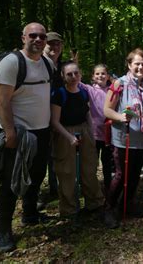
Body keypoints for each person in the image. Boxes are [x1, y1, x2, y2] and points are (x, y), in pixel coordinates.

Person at [0, 22, 53, 252]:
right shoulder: (11, 63)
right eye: (33, 35)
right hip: (17, 133)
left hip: (42, 131)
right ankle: (4, 230)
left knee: (37, 175)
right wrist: (9, 132)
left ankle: (30, 213)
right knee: (10, 182)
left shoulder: (47, 64)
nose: (38, 39)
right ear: (23, 38)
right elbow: (1, 100)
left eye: (42, 36)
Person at [103, 48, 143, 229]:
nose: (140, 67)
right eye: (137, 64)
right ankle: (109, 209)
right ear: (129, 65)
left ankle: (127, 204)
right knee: (121, 175)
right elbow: (107, 110)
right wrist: (120, 117)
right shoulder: (119, 84)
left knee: (135, 175)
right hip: (124, 138)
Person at [50, 62, 105, 218]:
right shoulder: (59, 94)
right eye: (69, 74)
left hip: (84, 130)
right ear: (63, 76)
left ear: (80, 74)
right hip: (65, 132)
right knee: (67, 171)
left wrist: (91, 129)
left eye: (76, 73)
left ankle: (95, 203)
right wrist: (69, 137)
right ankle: (69, 209)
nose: (73, 77)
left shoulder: (83, 92)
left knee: (89, 168)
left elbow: (87, 111)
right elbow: (55, 121)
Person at [37, 31, 64, 211]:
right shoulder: (37, 65)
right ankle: (36, 193)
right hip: (37, 117)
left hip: (57, 117)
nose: (54, 47)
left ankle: (55, 188)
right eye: (51, 44)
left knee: (56, 153)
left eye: (57, 44)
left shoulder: (62, 67)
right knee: (38, 157)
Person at [79, 64, 114, 193]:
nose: (100, 76)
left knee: (107, 163)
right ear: (93, 77)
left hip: (108, 134)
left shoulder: (112, 90)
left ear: (108, 76)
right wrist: (76, 64)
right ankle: (91, 188)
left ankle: (109, 187)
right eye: (97, 74)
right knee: (92, 163)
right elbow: (77, 81)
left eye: (103, 73)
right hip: (93, 133)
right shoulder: (90, 89)